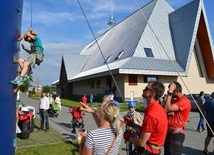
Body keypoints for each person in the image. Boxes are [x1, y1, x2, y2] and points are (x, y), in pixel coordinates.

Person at [124, 80, 167, 155]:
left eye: (146, 88)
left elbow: (141, 143)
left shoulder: (152, 114)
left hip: (148, 151)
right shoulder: (157, 108)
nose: (143, 89)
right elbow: (150, 130)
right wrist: (133, 124)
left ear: (152, 93)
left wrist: (128, 137)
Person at [163, 81, 191, 155]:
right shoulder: (176, 100)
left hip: (176, 134)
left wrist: (170, 93)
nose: (170, 93)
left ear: (177, 91)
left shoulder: (184, 101)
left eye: (172, 92)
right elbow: (165, 109)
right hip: (170, 134)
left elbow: (167, 109)